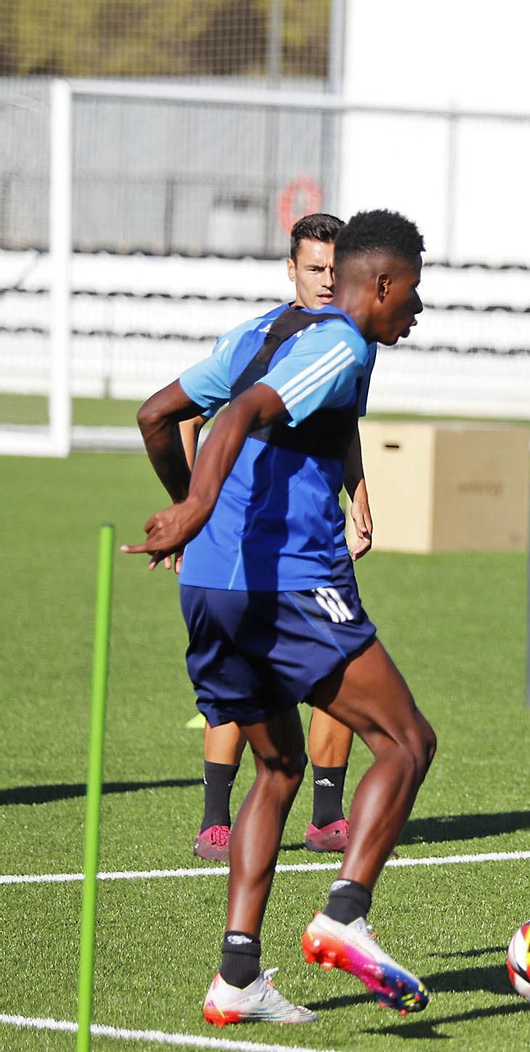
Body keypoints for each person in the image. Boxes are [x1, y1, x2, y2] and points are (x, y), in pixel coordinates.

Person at [126, 209, 435, 1024]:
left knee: (278, 767)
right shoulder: (339, 343)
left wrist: (196, 522)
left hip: (214, 590)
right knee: (407, 741)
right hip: (287, 586)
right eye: (413, 288)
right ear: (379, 282)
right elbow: (239, 416)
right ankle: (344, 915)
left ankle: (236, 978)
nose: (418, 306)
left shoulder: (258, 329)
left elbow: (157, 415)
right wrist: (195, 510)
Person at [184, 212, 366, 862]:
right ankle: (214, 819)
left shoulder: (346, 342)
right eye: (313, 268)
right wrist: (189, 502)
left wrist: (359, 492)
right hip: (246, 540)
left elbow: (338, 426)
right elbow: (185, 412)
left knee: (338, 667)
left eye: (333, 269)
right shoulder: (257, 338)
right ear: (291, 269)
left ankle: (326, 815)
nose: (324, 280)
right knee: (243, 673)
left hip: (311, 539)